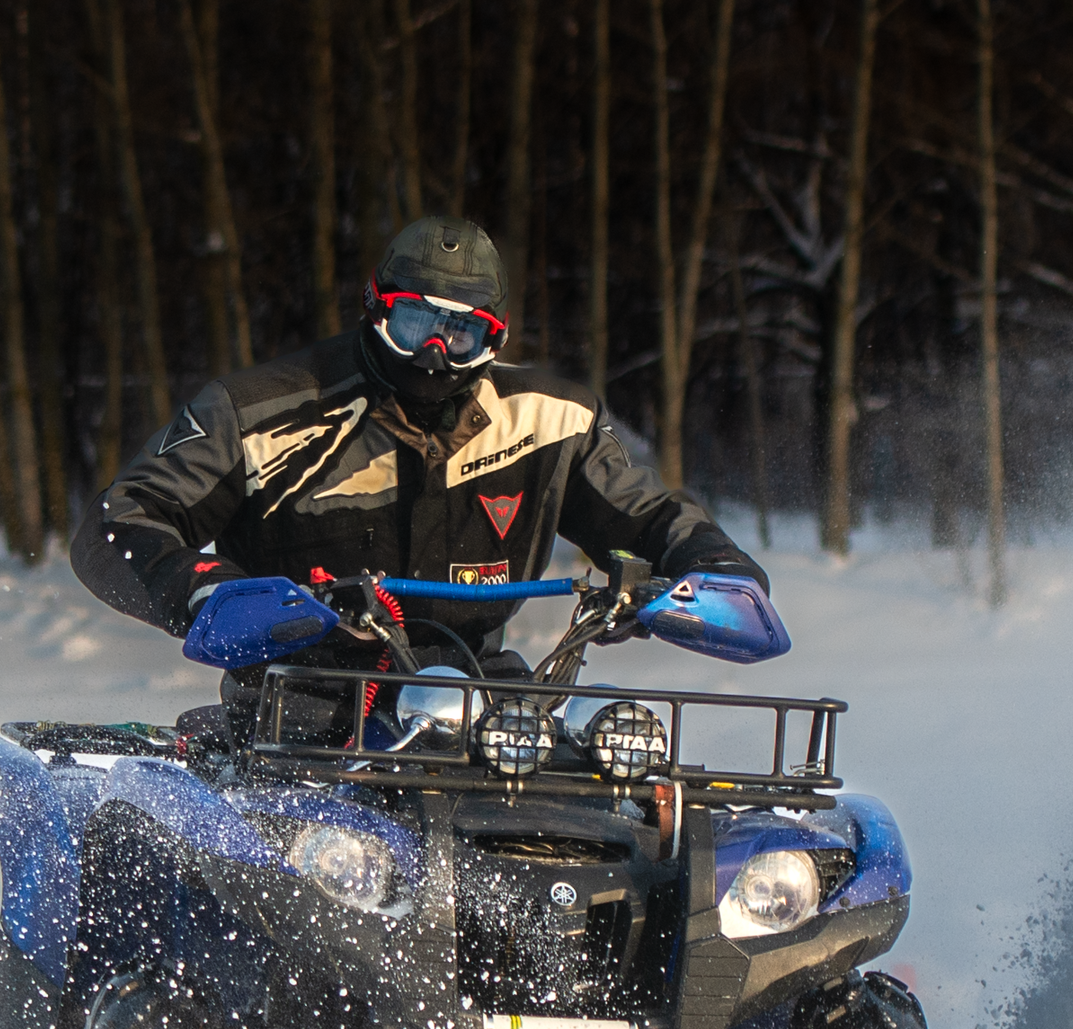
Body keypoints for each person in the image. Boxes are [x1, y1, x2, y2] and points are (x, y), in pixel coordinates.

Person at [74, 215, 769, 728]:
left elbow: (650, 516)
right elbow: (119, 521)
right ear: (375, 306)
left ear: (494, 337)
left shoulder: (554, 421)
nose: (436, 352)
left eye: (461, 333)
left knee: (626, 798)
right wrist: (206, 590)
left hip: (489, 709)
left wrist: (716, 571)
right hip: (303, 708)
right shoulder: (258, 414)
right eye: (415, 324)